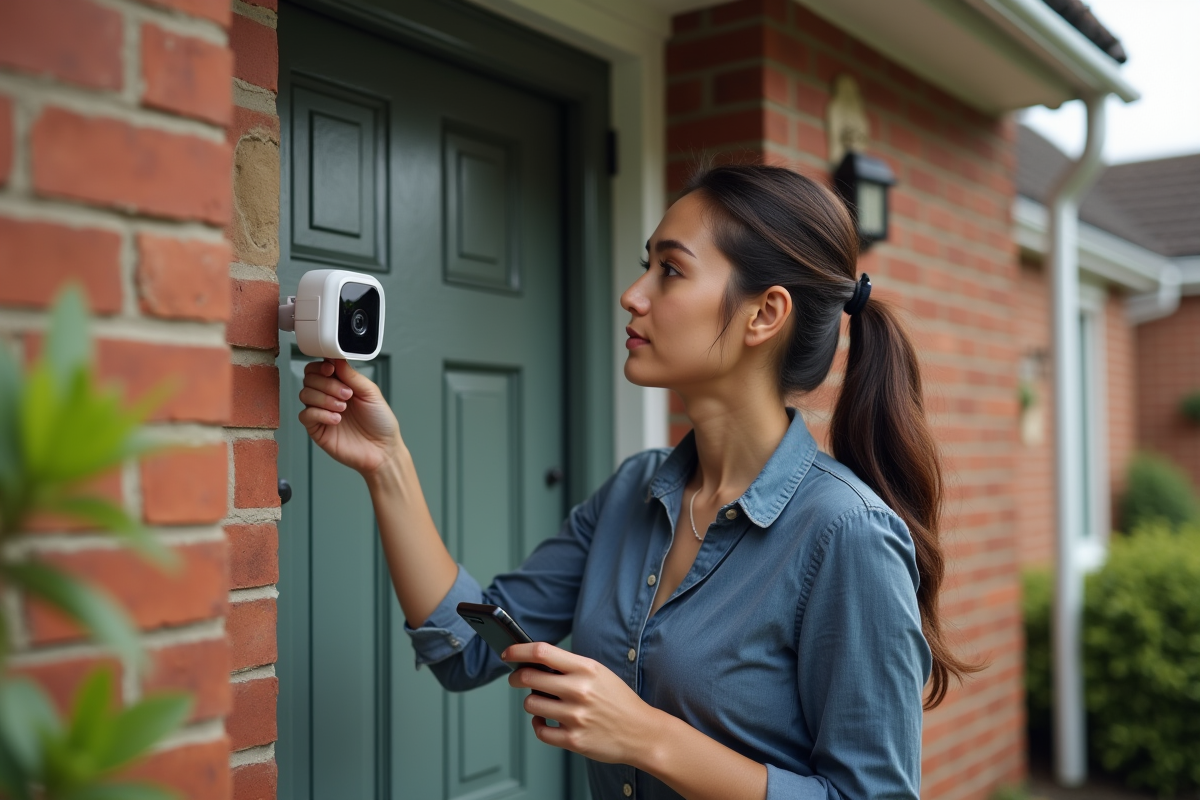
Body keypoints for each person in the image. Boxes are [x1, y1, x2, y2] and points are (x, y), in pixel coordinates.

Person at [297, 164, 975, 799]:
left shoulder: (845, 534)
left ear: (764, 315)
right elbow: (467, 649)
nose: (633, 294)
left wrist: (650, 738)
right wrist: (387, 464)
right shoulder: (633, 492)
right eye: (645, 265)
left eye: (670, 271)